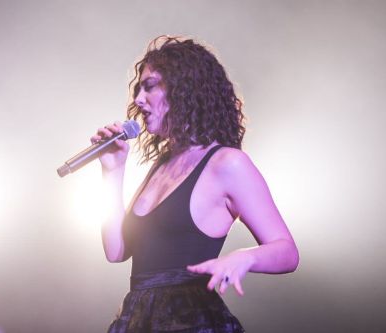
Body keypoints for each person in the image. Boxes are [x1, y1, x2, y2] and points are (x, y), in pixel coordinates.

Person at [90, 36, 299, 333]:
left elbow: (288, 251)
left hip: (190, 321)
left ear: (184, 89)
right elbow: (116, 251)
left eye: (149, 86)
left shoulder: (227, 164)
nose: (138, 99)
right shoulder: (161, 165)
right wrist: (112, 172)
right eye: (138, 88)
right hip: (138, 319)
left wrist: (243, 258)